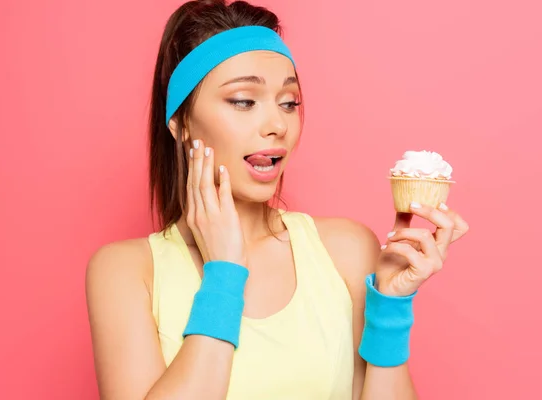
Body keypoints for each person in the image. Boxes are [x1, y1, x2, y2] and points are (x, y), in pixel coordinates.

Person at [85, 1, 469, 399]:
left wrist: (390, 308)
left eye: (289, 103)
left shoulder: (346, 251)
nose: (278, 125)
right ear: (181, 124)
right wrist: (224, 275)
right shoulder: (126, 272)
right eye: (243, 101)